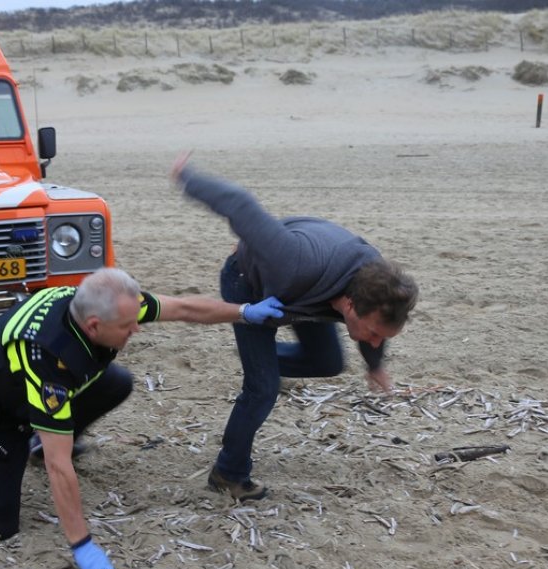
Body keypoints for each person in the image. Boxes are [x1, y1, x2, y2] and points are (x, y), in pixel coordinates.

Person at [0, 268, 283, 569]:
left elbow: (183, 308)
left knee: (117, 381)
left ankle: (38, 439)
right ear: (93, 328)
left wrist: (245, 313)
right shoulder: (49, 358)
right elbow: (59, 466)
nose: (136, 329)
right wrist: (82, 545)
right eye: (127, 327)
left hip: (49, 390)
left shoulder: (105, 305)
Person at [171, 154, 418, 501]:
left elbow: (379, 324)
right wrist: (188, 177)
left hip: (307, 293)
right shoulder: (294, 263)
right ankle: (227, 473)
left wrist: (375, 364)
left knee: (329, 362)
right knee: (262, 389)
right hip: (249, 282)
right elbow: (240, 204)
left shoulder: (375, 289)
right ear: (349, 305)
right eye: (373, 333)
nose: (375, 340)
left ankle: (260, 362)